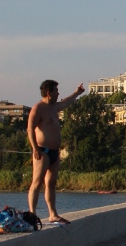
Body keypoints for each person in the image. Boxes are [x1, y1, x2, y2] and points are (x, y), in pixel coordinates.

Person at [27, 80, 84, 224]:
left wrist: (77, 93)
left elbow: (66, 102)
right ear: (49, 92)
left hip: (54, 152)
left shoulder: (53, 107)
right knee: (37, 182)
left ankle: (53, 214)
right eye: (56, 91)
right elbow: (30, 129)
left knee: (51, 183)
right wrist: (34, 148)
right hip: (42, 151)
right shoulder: (38, 108)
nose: (58, 94)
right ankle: (32, 214)